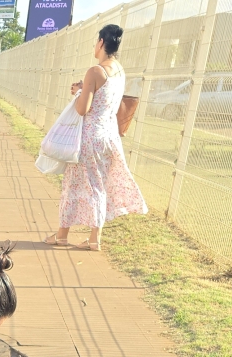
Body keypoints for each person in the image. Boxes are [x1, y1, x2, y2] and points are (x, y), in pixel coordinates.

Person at [44, 24, 147, 252]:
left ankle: (62, 235)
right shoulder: (119, 71)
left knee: (73, 184)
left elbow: (83, 109)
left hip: (89, 137)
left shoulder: (94, 71)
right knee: (98, 185)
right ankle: (94, 238)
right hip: (109, 136)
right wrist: (85, 88)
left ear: (101, 42)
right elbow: (105, 96)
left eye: (95, 42)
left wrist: (79, 91)